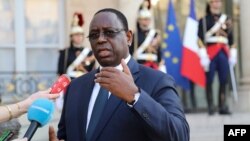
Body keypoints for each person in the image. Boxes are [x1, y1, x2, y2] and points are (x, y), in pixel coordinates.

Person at [49, 8, 189, 141]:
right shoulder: (75, 88)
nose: (100, 39)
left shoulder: (157, 81)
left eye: (109, 32)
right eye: (94, 35)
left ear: (128, 37)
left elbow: (179, 135)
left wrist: (136, 97)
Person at [198, 0, 237, 115]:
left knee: (223, 79)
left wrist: (233, 52)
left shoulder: (227, 19)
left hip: (223, 52)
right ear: (210, 3)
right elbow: (199, 39)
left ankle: (222, 105)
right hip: (210, 52)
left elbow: (231, 38)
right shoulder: (204, 20)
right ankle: (211, 105)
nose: (217, 3)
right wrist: (203, 54)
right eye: (214, 1)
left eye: (218, 1)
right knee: (209, 79)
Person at [57, 12, 95, 79]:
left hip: (84, 83)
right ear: (71, 37)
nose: (79, 37)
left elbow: (92, 72)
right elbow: (60, 73)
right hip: (70, 83)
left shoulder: (89, 52)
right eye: (76, 35)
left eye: (81, 35)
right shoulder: (65, 52)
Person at [129, 0, 162, 70]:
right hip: (140, 64)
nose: (146, 21)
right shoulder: (135, 35)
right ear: (139, 20)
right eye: (144, 19)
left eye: (148, 19)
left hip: (154, 65)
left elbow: (159, 51)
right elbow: (130, 51)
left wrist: (159, 63)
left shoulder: (155, 34)